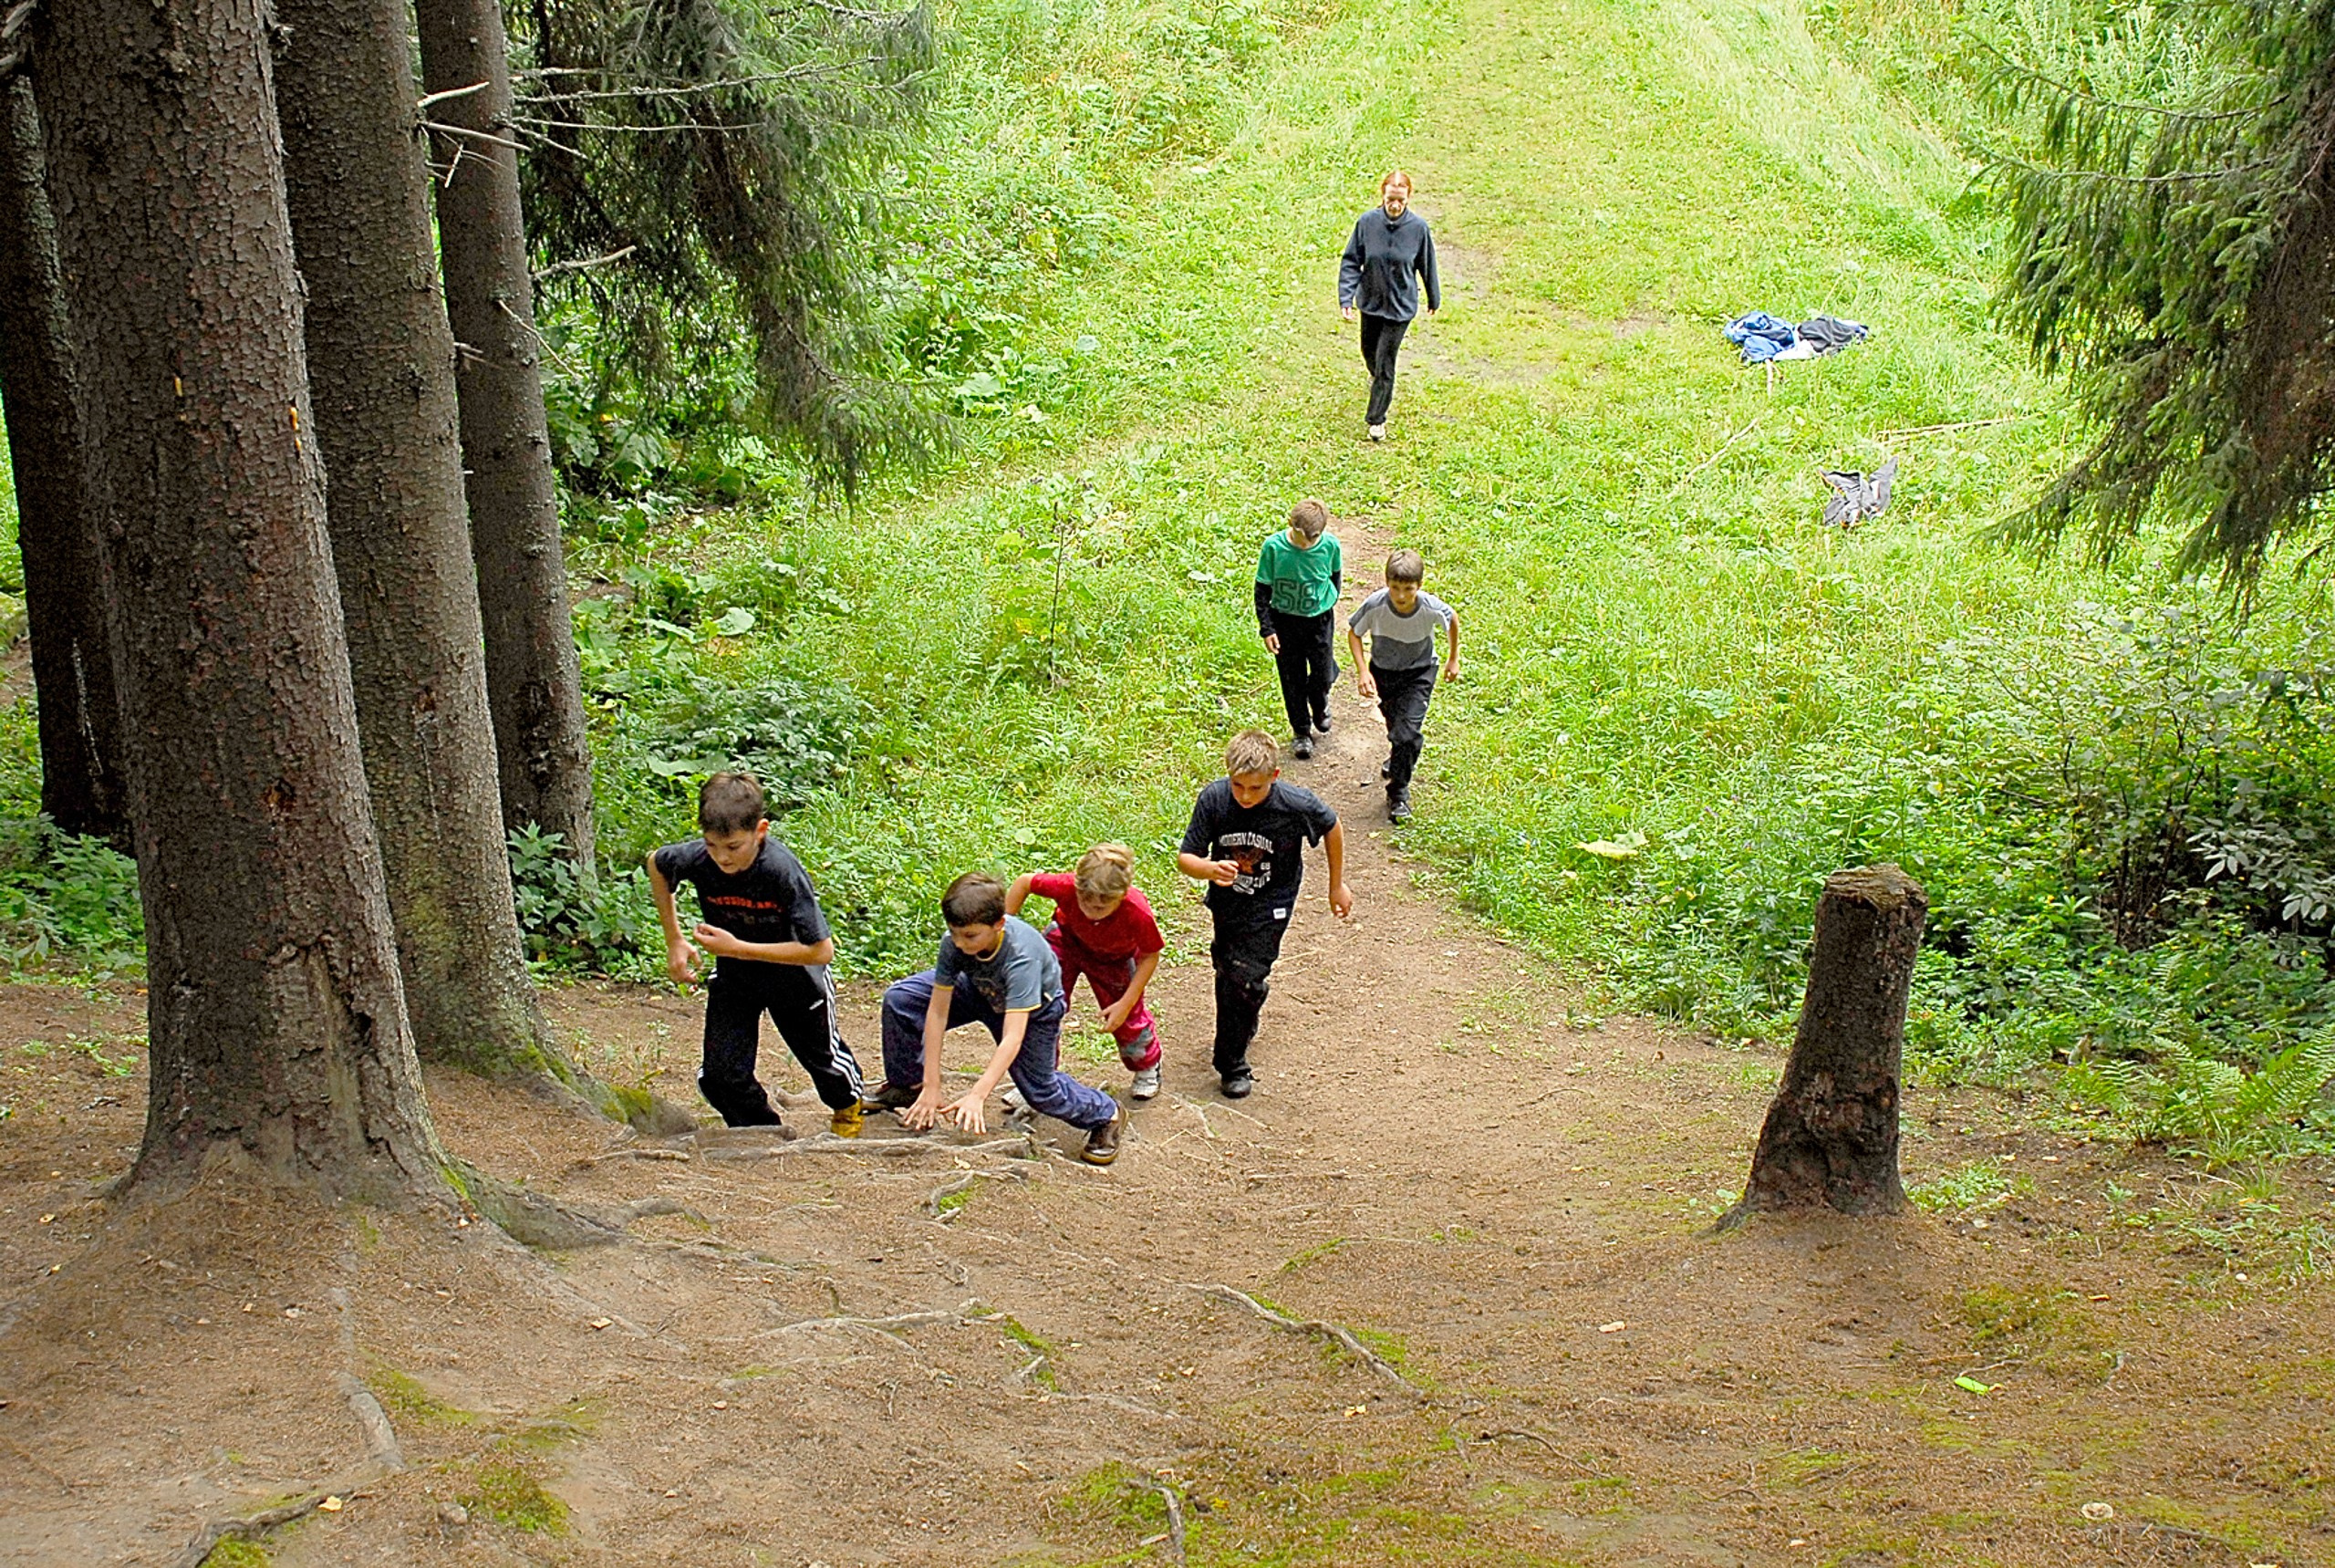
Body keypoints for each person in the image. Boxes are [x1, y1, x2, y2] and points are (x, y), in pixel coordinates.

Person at [647, 772, 866, 1136]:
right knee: (720, 1074)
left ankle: (848, 1107)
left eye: (733, 847)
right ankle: (762, 1129)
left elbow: (820, 951)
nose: (721, 858)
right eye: (712, 845)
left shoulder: (781, 871)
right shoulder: (699, 858)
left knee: (825, 1062)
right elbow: (656, 863)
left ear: (760, 830)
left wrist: (739, 948)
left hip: (795, 976)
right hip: (736, 977)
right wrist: (675, 939)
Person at [868, 872, 1126, 1165]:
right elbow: (937, 1011)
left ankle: (1106, 1113)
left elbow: (1013, 1037)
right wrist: (931, 1084)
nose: (960, 943)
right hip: (979, 988)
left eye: (970, 936)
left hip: (1034, 1011)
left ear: (999, 924)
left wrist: (978, 1095)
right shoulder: (957, 942)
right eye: (953, 933)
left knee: (1040, 1090)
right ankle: (907, 1087)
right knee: (902, 1000)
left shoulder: (1021, 959)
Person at [1177, 729, 1353, 1098]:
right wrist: (1209, 869)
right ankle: (1250, 1000)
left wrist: (1336, 885)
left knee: (1240, 975)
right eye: (1238, 786)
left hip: (1272, 903)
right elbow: (1186, 858)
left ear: (1274, 777)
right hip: (1227, 903)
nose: (1244, 796)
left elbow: (1332, 825)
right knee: (1229, 970)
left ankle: (1231, 1065)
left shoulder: (1294, 804)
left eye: (1255, 788)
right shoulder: (1214, 800)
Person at [1005, 845, 1168, 1101]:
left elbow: (1150, 955)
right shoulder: (1066, 886)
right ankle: (1038, 1077)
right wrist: (1004, 928)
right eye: (1085, 903)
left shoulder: (1137, 911)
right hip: (1065, 942)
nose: (1091, 911)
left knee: (1126, 1019)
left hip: (1113, 959)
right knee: (1040, 1006)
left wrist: (1125, 1004)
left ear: (1122, 895)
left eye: (1101, 908)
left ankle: (1146, 1065)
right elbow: (1025, 882)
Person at [1346, 549, 1460, 824]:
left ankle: (1398, 793)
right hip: (1384, 672)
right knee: (1395, 726)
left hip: (1419, 673)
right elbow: (1354, 633)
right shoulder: (1376, 605)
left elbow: (1452, 619)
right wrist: (1363, 671)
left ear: (1419, 586)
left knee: (1407, 734)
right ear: (1386, 582)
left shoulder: (1430, 608)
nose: (1400, 596)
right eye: (1395, 587)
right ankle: (1397, 759)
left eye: (1408, 589)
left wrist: (1453, 658)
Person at [1338, 169, 1440, 441]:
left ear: (1408, 199)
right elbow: (1351, 261)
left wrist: (1433, 296)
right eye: (1390, 200)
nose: (1395, 206)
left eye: (1401, 201)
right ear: (1382, 196)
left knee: (1386, 361)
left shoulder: (1418, 229)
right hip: (1371, 302)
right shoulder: (1367, 223)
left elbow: (1426, 264)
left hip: (1400, 307)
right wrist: (1346, 296)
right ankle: (1379, 382)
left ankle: (1377, 419)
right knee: (1368, 351)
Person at [1255, 497, 1344, 759]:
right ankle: (1302, 731)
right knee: (1291, 679)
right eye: (1303, 538)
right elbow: (1262, 590)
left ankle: (1319, 705)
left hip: (1319, 621)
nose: (1308, 545)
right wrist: (1267, 628)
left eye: (1313, 540)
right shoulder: (1274, 548)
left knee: (1322, 674)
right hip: (1285, 622)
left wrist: (1327, 601)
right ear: (1290, 525)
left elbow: (1334, 576)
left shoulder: (1329, 546)